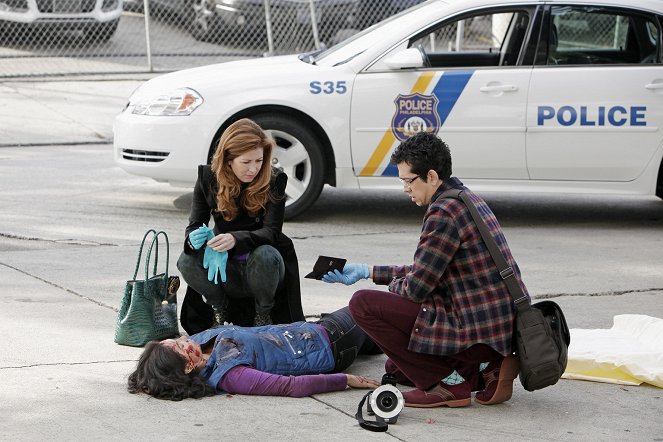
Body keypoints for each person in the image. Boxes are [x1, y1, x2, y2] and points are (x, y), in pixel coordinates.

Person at [322, 132, 528, 408]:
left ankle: (446, 385)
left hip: (478, 331)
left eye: (408, 180)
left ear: (431, 176)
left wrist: (392, 287)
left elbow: (416, 289)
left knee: (363, 304)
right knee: (396, 369)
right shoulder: (466, 199)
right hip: (498, 328)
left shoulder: (443, 213)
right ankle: (488, 369)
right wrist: (369, 271)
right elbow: (428, 269)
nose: (405, 188)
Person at [177, 118, 304, 333]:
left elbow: (272, 232)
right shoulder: (208, 177)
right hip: (224, 264)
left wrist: (236, 239)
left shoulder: (274, 180)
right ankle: (220, 309)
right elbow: (195, 224)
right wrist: (193, 238)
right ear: (228, 160)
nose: (254, 169)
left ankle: (263, 314)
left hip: (264, 264)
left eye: (259, 160)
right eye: (246, 162)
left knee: (265, 254)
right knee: (186, 260)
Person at [127, 307, 381, 401]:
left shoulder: (197, 349)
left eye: (177, 340)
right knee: (370, 305)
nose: (185, 339)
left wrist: (151, 377)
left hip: (312, 331)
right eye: (181, 347)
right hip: (332, 343)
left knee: (385, 338)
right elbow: (290, 387)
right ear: (187, 368)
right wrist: (344, 379)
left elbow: (157, 372)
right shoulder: (232, 375)